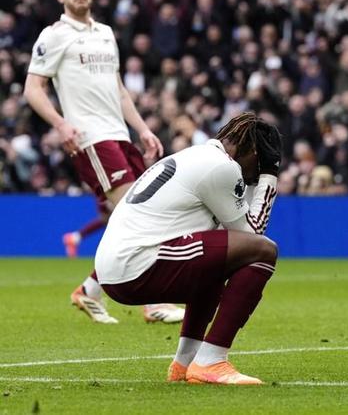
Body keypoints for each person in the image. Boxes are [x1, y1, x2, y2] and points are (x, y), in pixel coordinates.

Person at [23, 0, 183, 324]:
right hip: (91, 138)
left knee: (140, 214)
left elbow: (119, 89)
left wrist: (143, 129)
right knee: (139, 214)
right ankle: (151, 302)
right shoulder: (54, 36)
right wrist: (61, 124)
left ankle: (90, 290)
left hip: (120, 135)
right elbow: (33, 89)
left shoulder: (106, 34)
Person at [95, 112, 282, 385]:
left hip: (117, 268)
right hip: (138, 265)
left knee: (217, 261)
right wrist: (270, 176)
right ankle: (211, 360)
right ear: (253, 151)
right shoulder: (221, 166)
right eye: (258, 165)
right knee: (264, 250)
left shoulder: (197, 156)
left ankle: (185, 363)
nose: (253, 177)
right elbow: (253, 235)